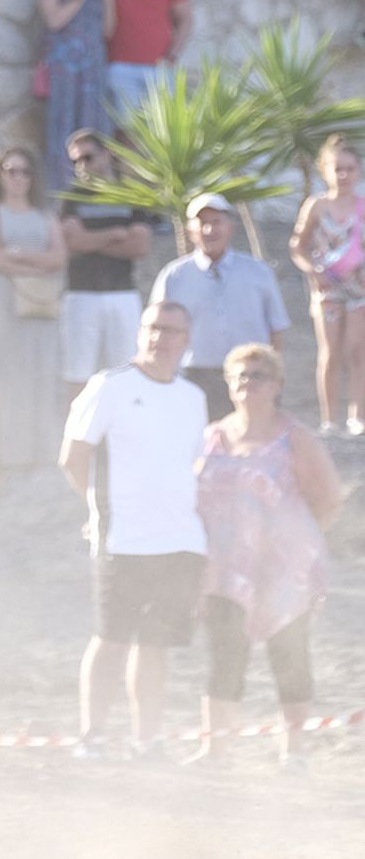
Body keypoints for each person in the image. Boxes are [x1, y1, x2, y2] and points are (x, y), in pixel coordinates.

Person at [59, 298, 203, 760]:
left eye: (172, 331)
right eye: (153, 328)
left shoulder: (193, 397)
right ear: (141, 332)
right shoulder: (109, 386)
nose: (161, 339)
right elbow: (73, 457)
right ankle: (93, 736)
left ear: (187, 340)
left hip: (180, 540)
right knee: (111, 638)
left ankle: (148, 740)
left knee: (156, 645)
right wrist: (95, 509)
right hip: (122, 540)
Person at [196, 341, 343, 761]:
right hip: (225, 569)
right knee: (224, 656)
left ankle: (292, 752)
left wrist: (294, 541)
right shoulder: (212, 436)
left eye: (257, 375)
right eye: (239, 376)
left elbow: (329, 498)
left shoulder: (294, 438)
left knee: (289, 657)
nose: (247, 383)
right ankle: (215, 750)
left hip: (284, 569)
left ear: (277, 384)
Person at [148, 194, 288, 422]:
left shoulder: (258, 272)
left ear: (230, 226)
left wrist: (273, 376)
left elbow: (276, 327)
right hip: (195, 375)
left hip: (250, 376)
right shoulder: (174, 276)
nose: (209, 230)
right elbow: (157, 328)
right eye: (202, 223)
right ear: (190, 230)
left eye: (216, 222)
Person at [0, 147, 66, 473]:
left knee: (40, 379)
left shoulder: (45, 216)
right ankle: (0, 459)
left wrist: (17, 255)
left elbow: (58, 257)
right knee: (3, 380)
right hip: (2, 306)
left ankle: (40, 456)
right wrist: (35, 262)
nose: (17, 178)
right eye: (10, 171)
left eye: (24, 171)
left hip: (39, 307)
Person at [59, 129, 153, 394]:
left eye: (87, 158)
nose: (82, 166)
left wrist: (90, 239)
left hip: (121, 293)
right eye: (75, 161)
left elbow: (140, 245)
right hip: (80, 294)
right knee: (77, 373)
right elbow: (72, 243)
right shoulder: (72, 197)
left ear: (106, 155)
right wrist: (115, 234)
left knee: (124, 371)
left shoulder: (132, 194)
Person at [289, 136, 365, 434]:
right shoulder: (316, 206)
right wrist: (313, 271)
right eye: (338, 168)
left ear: (358, 170)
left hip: (359, 289)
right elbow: (298, 246)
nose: (343, 175)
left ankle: (357, 416)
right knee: (330, 352)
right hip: (326, 291)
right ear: (325, 170)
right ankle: (329, 419)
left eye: (349, 168)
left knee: (358, 352)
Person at [37, 0, 112, 168]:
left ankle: (98, 185)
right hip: (64, 65)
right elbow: (54, 21)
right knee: (63, 122)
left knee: (94, 123)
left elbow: (108, 29)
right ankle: (63, 185)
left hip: (93, 63)